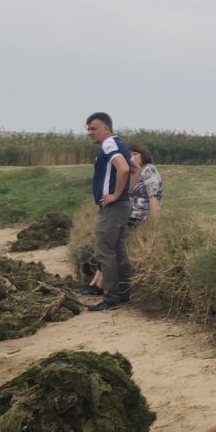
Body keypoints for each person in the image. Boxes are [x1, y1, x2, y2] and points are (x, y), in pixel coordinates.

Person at [80, 144, 162, 298]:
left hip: (138, 217)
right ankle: (96, 282)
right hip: (125, 215)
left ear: (144, 155)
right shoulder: (132, 172)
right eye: (131, 155)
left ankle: (100, 285)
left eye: (136, 154)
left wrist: (154, 226)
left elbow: (153, 198)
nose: (133, 158)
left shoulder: (149, 169)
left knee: (110, 246)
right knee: (106, 244)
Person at [85, 113, 131, 311]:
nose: (89, 133)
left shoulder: (108, 144)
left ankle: (111, 297)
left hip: (112, 208)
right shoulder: (120, 143)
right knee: (119, 251)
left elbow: (124, 168)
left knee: (105, 251)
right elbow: (135, 167)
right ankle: (123, 292)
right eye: (88, 129)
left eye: (93, 128)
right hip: (122, 206)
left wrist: (115, 194)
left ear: (106, 128)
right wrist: (126, 193)